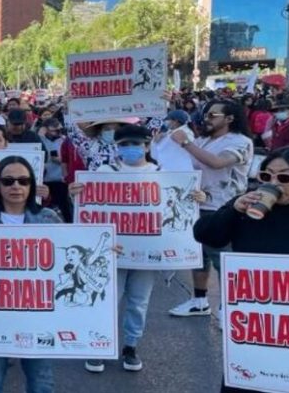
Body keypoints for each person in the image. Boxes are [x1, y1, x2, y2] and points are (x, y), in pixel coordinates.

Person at [70, 125, 206, 373]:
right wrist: (75, 194)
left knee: (138, 302)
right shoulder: (103, 172)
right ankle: (100, 345)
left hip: (147, 254)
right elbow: (87, 207)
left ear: (146, 146)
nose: (129, 149)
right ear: (117, 148)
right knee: (107, 300)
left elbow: (179, 207)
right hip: (112, 252)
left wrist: (197, 198)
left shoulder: (163, 174)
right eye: (124, 145)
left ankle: (130, 346)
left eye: (135, 144)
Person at [192, 147, 289, 393]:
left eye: (284, 178)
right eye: (266, 177)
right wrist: (233, 209)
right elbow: (204, 234)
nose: (274, 183)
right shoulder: (247, 206)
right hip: (254, 328)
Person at [0, 155, 61, 393]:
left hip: (38, 316)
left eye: (23, 181)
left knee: (42, 383)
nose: (16, 187)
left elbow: (65, 260)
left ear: (31, 184)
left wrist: (102, 252)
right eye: (8, 181)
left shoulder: (48, 219)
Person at [169, 100, 253, 319]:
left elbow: (217, 163)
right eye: (205, 114)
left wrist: (186, 144)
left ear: (229, 119)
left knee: (222, 259)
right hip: (197, 205)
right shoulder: (203, 140)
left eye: (213, 115)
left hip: (224, 208)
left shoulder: (240, 141)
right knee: (198, 257)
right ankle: (199, 301)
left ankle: (230, 307)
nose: (206, 119)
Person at [67, 117, 139, 171]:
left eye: (116, 129)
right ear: (100, 131)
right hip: (97, 187)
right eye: (107, 129)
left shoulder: (130, 146)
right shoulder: (90, 146)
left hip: (121, 187)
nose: (112, 131)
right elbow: (73, 132)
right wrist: (68, 109)